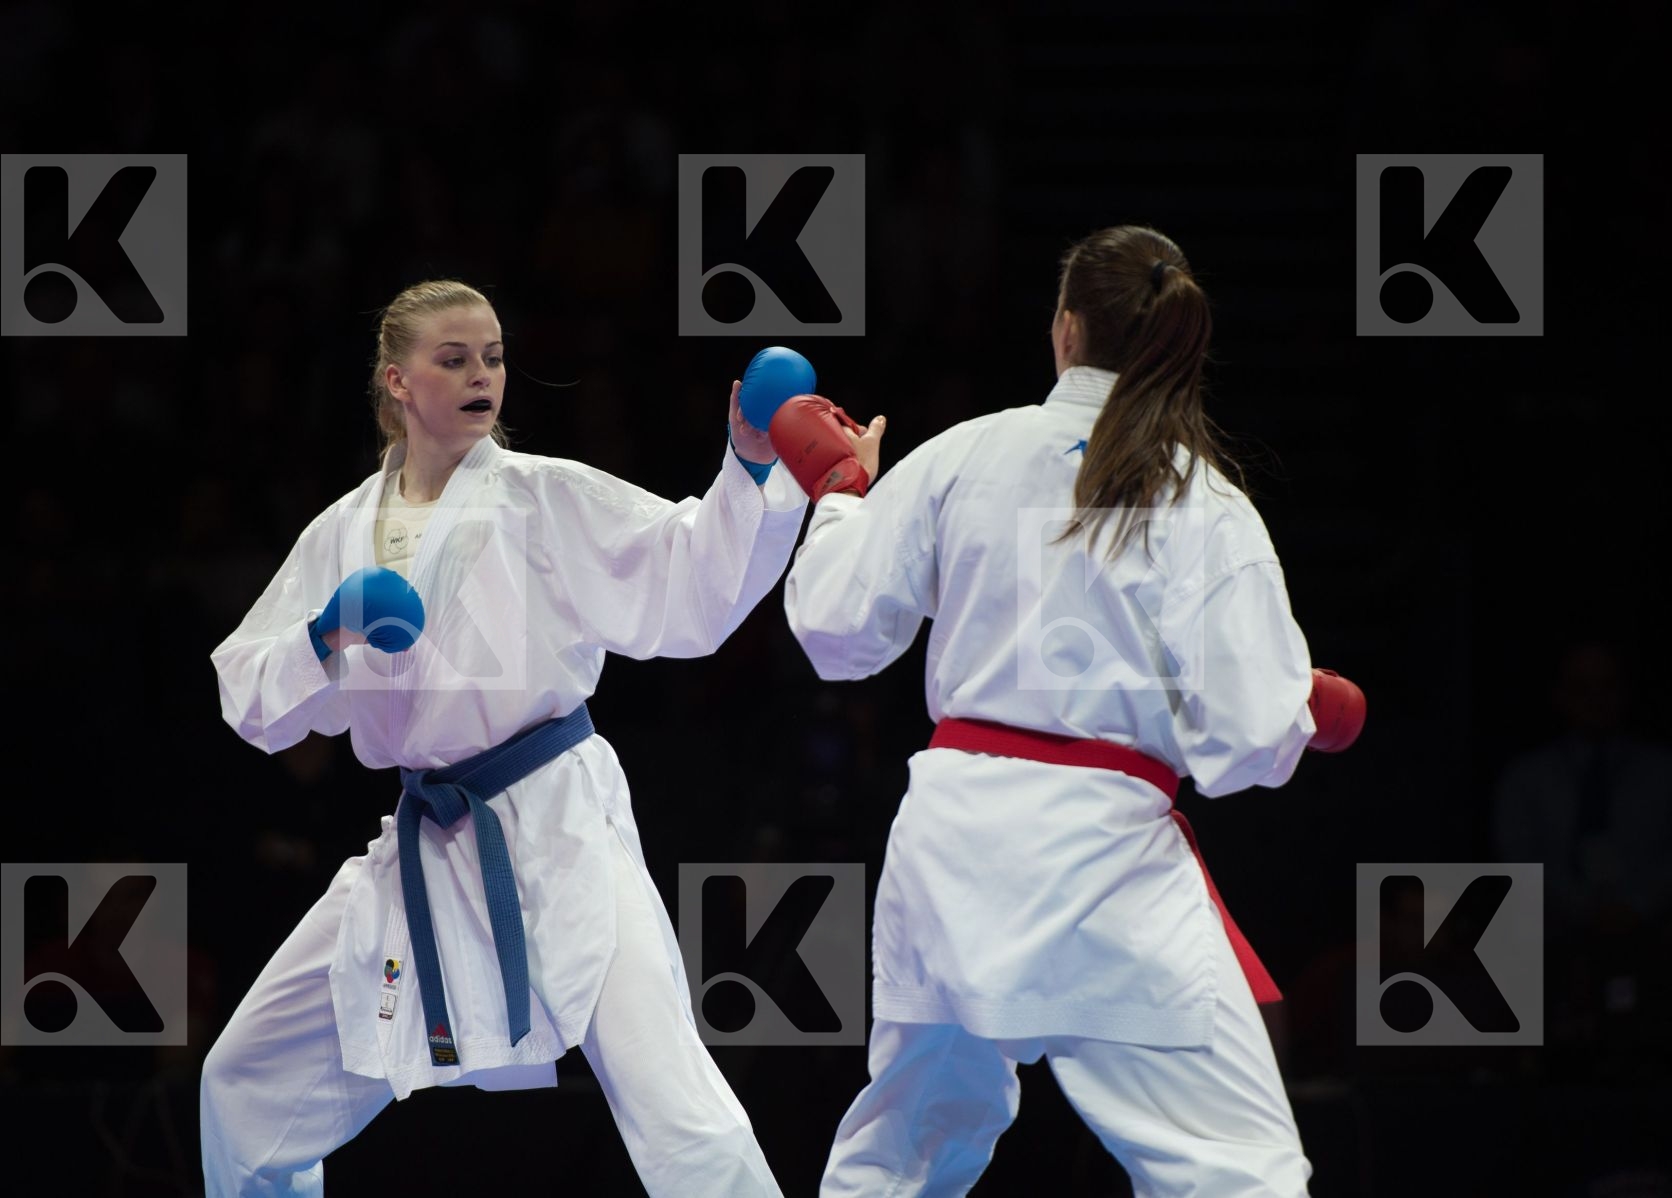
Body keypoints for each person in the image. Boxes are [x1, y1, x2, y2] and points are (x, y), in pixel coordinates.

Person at [773, 226, 1365, 1197]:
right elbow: (1248, 737)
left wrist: (842, 494)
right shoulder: (1203, 497)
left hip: (950, 839)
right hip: (1101, 856)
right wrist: (1306, 708)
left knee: (900, 1158)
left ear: (1066, 329)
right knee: (1236, 1172)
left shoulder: (966, 452)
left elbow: (837, 630)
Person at [201, 279, 807, 1196]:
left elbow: (688, 586)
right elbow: (251, 697)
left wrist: (750, 465)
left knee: (679, 1109)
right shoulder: (339, 535)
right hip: (422, 846)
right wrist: (322, 637)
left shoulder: (543, 498)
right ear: (398, 382)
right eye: (454, 360)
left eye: (492, 357)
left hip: (559, 829)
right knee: (243, 1085)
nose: (483, 375)